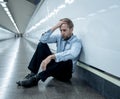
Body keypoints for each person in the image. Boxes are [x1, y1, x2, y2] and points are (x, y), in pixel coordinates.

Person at [16, 18, 82, 88]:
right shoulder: (59, 37)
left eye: (64, 30)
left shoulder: (76, 42)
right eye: (61, 30)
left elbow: (73, 54)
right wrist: (55, 27)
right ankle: (33, 74)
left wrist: (51, 57)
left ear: (71, 29)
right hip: (54, 70)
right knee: (41, 45)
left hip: (64, 74)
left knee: (67, 60)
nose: (62, 33)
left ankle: (36, 79)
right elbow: (42, 39)